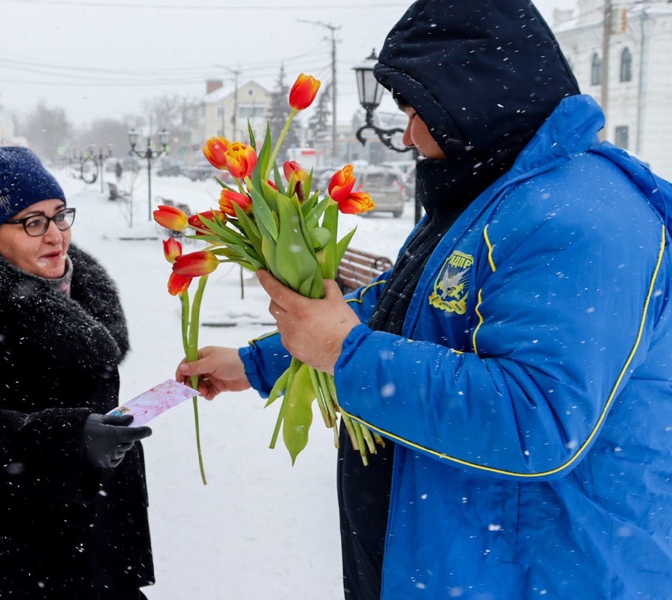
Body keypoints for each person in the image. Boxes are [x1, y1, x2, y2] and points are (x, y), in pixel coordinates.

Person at [176, 1, 672, 598]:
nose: (408, 135)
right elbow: (412, 308)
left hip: (538, 569)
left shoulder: (581, 217)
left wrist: (345, 352)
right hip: (453, 553)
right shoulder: (497, 194)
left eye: (418, 111)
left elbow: (536, 418)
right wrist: (260, 361)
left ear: (475, 93)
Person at [0, 146, 154, 599]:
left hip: (90, 535)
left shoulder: (78, 291)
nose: (56, 235)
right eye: (32, 222)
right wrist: (69, 437)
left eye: (60, 216)